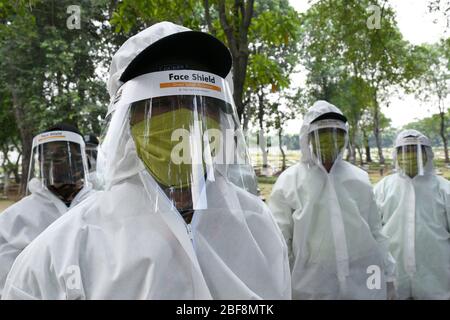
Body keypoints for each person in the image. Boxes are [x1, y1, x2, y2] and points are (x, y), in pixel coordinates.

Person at [2, 21, 290, 300]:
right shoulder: (64, 249)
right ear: (129, 124)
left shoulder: (258, 226)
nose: (185, 121)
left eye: (200, 104)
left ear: (222, 119)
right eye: (162, 104)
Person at [268, 100, 396, 299]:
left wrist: (388, 274)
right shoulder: (289, 181)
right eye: (322, 134)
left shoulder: (359, 179)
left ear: (344, 137)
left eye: (336, 134)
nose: (330, 140)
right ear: (307, 138)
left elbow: (375, 232)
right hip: (310, 287)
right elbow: (278, 241)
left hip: (362, 283)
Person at [0, 123, 94, 298]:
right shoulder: (13, 219)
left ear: (81, 160)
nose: (52, 163)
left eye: (61, 155)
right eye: (45, 157)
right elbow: (7, 284)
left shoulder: (101, 206)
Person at [374, 129, 450, 299]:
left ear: (427, 154)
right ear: (396, 155)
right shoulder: (382, 188)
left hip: (436, 278)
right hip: (394, 276)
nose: (409, 155)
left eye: (415, 150)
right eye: (404, 150)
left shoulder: (444, 189)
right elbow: (373, 232)